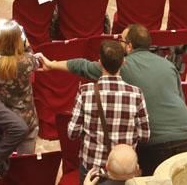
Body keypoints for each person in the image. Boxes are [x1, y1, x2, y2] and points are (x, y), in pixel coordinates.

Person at [40, 24, 187, 175]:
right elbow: (181, 98)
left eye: (121, 40)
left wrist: (52, 65)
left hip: (155, 145)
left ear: (129, 46)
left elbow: (82, 66)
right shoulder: (168, 65)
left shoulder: (123, 67)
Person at [62, 40, 150, 176]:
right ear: (123, 62)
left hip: (92, 169)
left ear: (99, 63)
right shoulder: (136, 93)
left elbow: (72, 133)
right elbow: (145, 136)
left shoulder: (85, 92)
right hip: (123, 170)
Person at [0, 20, 40, 154]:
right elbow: (35, 60)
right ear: (18, 41)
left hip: (0, 119)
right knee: (25, 163)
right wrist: (26, 44)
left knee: (2, 164)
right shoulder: (28, 61)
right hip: (26, 118)